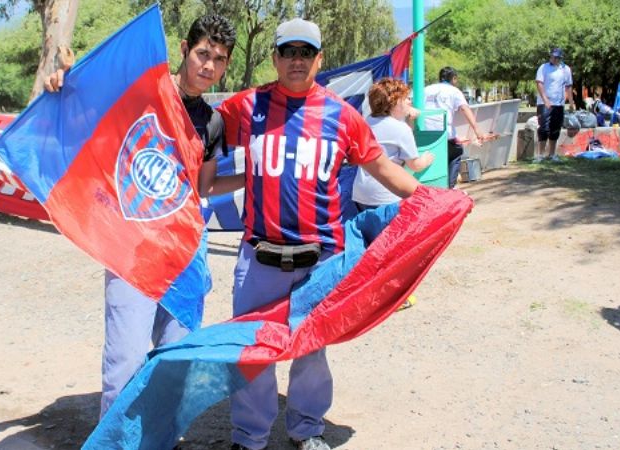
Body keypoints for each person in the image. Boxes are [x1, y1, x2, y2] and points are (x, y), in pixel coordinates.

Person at [217, 18, 421, 450]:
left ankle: (306, 430)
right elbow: (188, 123)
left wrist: (430, 202)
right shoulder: (246, 107)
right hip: (259, 259)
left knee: (311, 351)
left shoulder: (342, 116)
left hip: (320, 261)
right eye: (287, 51)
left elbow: (383, 168)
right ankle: (249, 437)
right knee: (254, 352)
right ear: (274, 58)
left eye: (305, 52)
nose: (296, 60)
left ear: (319, 59)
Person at [45, 13, 242, 420]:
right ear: (185, 50)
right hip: (133, 248)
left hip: (185, 251)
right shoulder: (145, 93)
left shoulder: (214, 121)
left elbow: (203, 188)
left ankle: (160, 439)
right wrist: (64, 84)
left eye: (219, 59)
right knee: (127, 359)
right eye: (203, 53)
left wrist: (248, 179)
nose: (209, 65)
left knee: (175, 359)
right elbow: (89, 108)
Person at [353, 77, 434, 211]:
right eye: (406, 98)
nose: (410, 101)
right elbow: (415, 165)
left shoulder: (367, 121)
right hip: (387, 195)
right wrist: (426, 159)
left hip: (361, 193)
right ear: (394, 102)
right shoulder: (401, 129)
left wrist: (407, 116)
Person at [423, 66, 486, 188]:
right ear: (454, 78)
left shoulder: (426, 89)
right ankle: (450, 187)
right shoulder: (454, 91)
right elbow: (464, 108)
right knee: (456, 152)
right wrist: (477, 130)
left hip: (426, 134)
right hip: (444, 134)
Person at [534, 47, 574, 162]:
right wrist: (545, 100)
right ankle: (540, 155)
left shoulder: (565, 69)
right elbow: (539, 83)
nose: (554, 59)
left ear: (560, 58)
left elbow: (568, 86)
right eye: (552, 56)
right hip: (545, 103)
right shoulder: (544, 67)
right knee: (544, 128)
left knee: (555, 129)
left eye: (556, 57)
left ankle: (552, 154)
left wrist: (570, 102)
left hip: (559, 104)